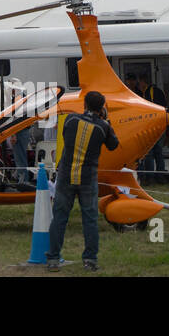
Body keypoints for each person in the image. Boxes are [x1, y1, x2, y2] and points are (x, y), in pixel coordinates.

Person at [45, 90, 120, 272]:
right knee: (90, 220)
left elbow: (65, 136)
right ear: (101, 107)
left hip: (66, 176)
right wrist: (107, 121)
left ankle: (54, 259)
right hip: (88, 178)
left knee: (60, 217)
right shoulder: (103, 127)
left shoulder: (71, 120)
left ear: (84, 104)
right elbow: (114, 145)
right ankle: (90, 260)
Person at [138, 72, 169, 180]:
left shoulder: (150, 92)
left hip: (154, 127)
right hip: (159, 127)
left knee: (149, 153)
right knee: (158, 152)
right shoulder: (156, 91)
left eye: (140, 83)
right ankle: (160, 175)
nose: (139, 85)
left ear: (143, 82)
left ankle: (150, 177)